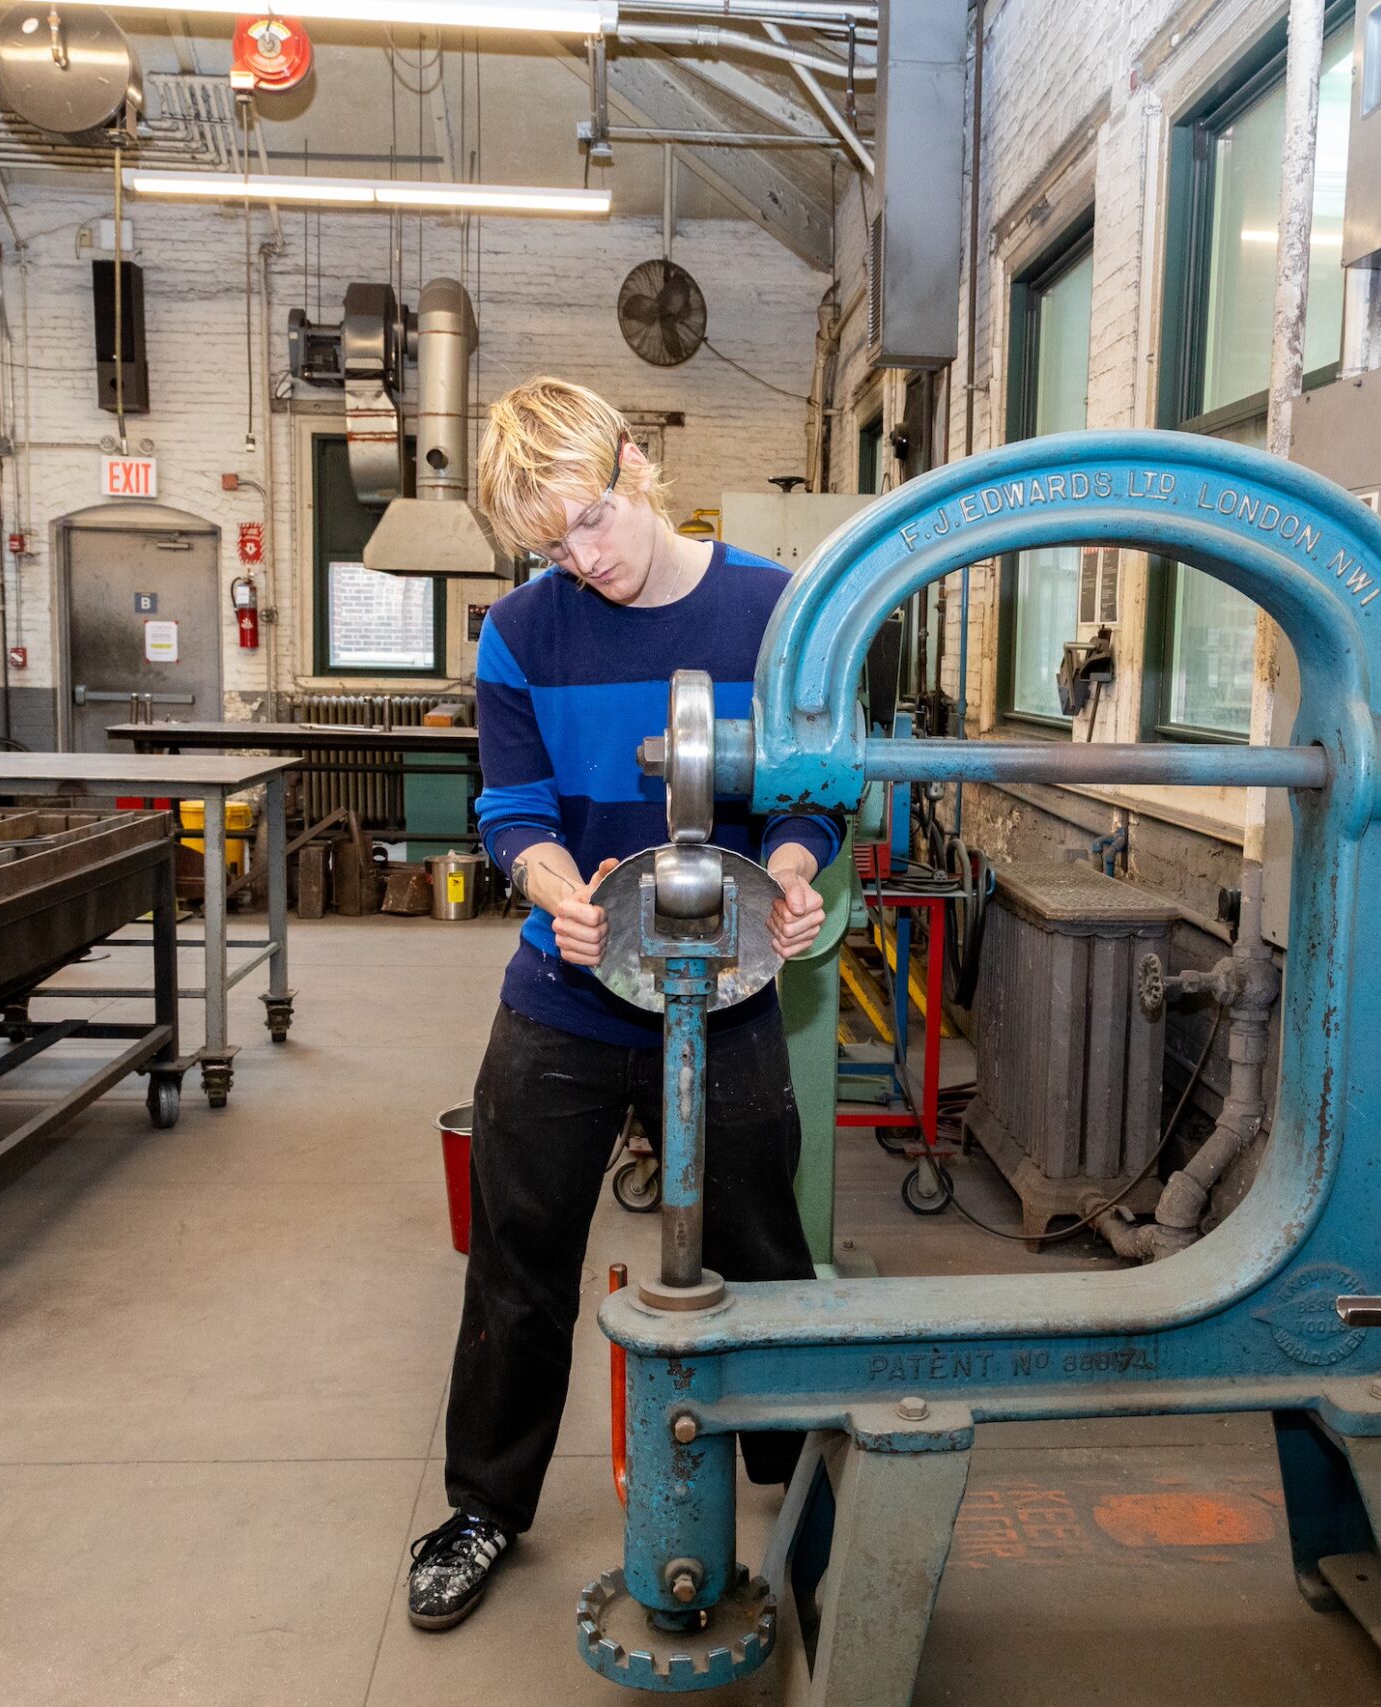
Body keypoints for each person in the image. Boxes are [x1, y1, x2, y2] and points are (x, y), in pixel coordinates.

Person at [407, 377, 838, 1631]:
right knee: (518, 1255)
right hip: (569, 992)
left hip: (729, 990)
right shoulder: (524, 632)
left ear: (636, 464)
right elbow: (512, 808)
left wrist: (792, 877)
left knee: (763, 1249)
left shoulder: (771, 610)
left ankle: (798, 1490)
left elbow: (813, 795)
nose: (581, 560)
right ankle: (485, 1503)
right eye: (551, 544)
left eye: (592, 520)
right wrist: (557, 889)